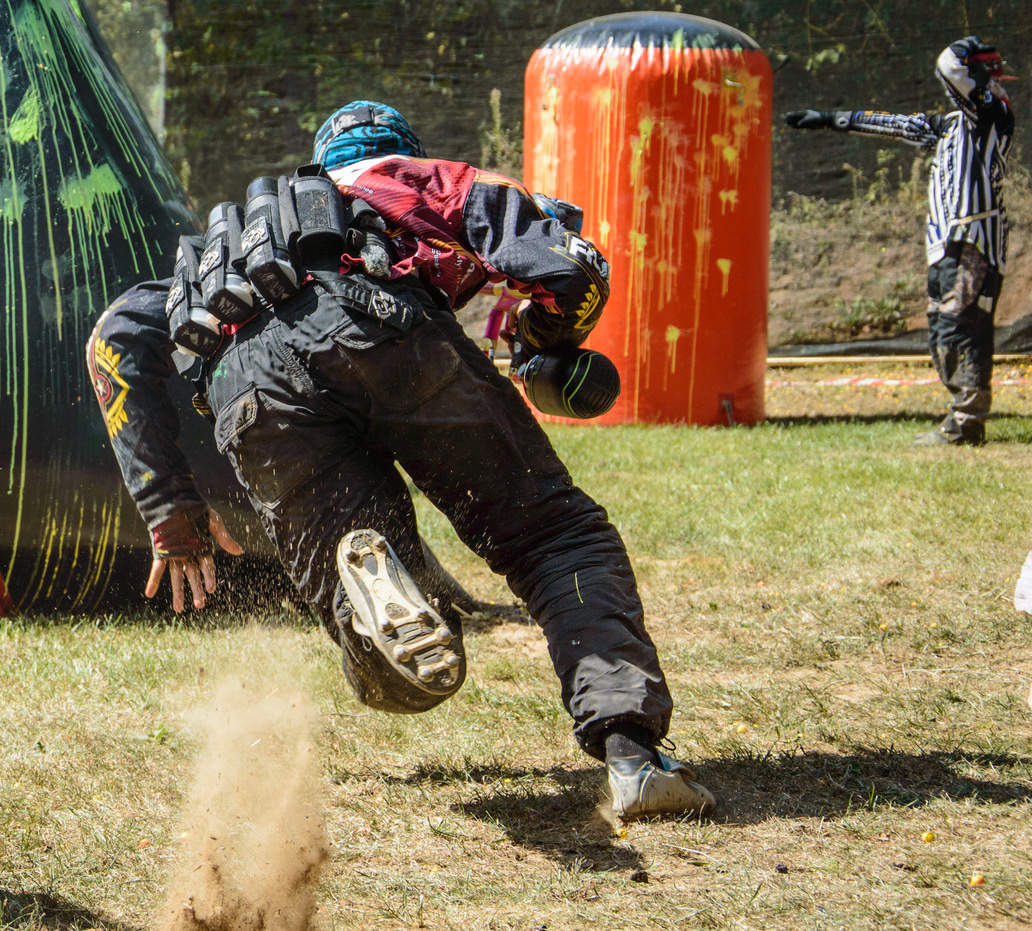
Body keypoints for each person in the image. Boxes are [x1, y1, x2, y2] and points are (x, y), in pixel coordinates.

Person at [88, 101, 714, 820]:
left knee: (394, 678)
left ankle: (378, 589)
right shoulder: (420, 181)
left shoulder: (234, 241)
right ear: (398, 147)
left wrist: (170, 510)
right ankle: (632, 755)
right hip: (385, 327)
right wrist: (541, 342)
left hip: (251, 396)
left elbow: (112, 339)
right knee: (555, 536)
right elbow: (574, 268)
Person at [783, 36, 1015, 446]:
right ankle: (964, 416)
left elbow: (949, 64)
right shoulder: (950, 126)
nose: (1000, 87)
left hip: (973, 242)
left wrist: (966, 47)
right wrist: (828, 118)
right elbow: (892, 123)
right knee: (943, 334)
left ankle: (965, 425)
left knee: (962, 329)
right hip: (947, 245)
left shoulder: (992, 115)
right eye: (995, 79)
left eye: (996, 80)